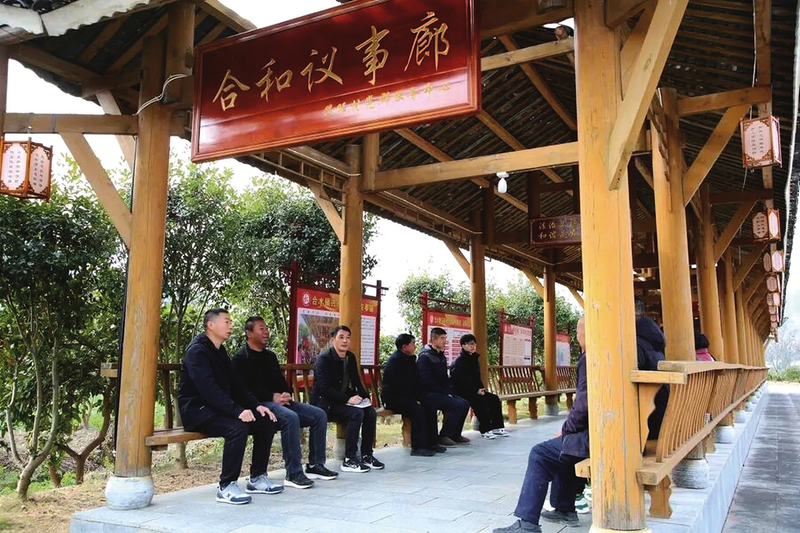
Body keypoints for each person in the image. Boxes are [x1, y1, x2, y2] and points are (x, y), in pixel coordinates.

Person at [177, 308, 282, 505]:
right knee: (237, 428)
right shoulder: (197, 352)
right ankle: (226, 485)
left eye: (230, 322)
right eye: (226, 321)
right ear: (211, 325)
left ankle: (257, 478)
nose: (231, 325)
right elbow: (208, 389)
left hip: (216, 409)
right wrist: (237, 411)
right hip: (197, 411)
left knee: (266, 422)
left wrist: (256, 406)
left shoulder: (220, 351)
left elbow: (236, 385)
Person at [494, 316, 588, 532]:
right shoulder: (642, 348)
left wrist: (566, 430)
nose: (577, 335)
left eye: (579, 330)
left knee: (541, 453)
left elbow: (584, 404)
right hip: (622, 433)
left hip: (601, 437)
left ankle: (527, 524)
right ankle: (565, 508)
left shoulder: (592, 357)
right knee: (562, 449)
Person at [232, 316, 338, 490]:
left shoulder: (270, 356)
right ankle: (293, 473)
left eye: (267, 328)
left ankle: (315, 465)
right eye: (261, 329)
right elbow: (244, 390)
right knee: (290, 417)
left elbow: (280, 382)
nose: (266, 332)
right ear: (249, 333)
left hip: (279, 402)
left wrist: (285, 393)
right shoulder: (240, 359)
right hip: (259, 404)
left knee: (319, 415)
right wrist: (271, 396)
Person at [311, 325, 385, 473]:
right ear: (333, 340)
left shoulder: (350, 357)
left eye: (348, 338)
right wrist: (348, 399)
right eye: (341, 337)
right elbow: (325, 389)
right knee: (356, 413)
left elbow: (356, 382)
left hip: (342, 401)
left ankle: (367, 455)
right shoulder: (323, 359)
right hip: (326, 404)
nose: (345, 341)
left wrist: (365, 398)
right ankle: (350, 459)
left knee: (370, 412)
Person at [381, 333, 446, 457]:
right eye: (413, 344)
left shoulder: (411, 360)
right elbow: (399, 386)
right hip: (393, 398)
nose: (415, 346)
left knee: (430, 405)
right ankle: (418, 447)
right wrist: (413, 400)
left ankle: (432, 443)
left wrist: (420, 398)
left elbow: (418, 382)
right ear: (404, 347)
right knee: (417, 410)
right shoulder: (395, 361)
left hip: (408, 397)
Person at [417, 327, 470, 447]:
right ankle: (444, 435)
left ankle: (455, 434)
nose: (444, 341)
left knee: (465, 403)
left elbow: (445, 378)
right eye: (442, 338)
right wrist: (443, 392)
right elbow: (426, 380)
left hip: (440, 392)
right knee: (457, 404)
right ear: (433, 339)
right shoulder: (424, 357)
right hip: (429, 394)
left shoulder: (441, 356)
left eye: (445, 338)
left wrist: (448, 390)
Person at [450, 334, 508, 440]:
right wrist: (476, 390)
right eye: (470, 344)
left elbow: (477, 377)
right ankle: (486, 429)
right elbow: (460, 381)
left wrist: (481, 389)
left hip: (474, 390)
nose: (473, 346)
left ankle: (497, 427)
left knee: (493, 399)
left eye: (474, 344)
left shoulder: (474, 358)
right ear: (463, 345)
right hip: (461, 391)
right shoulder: (459, 361)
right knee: (479, 400)